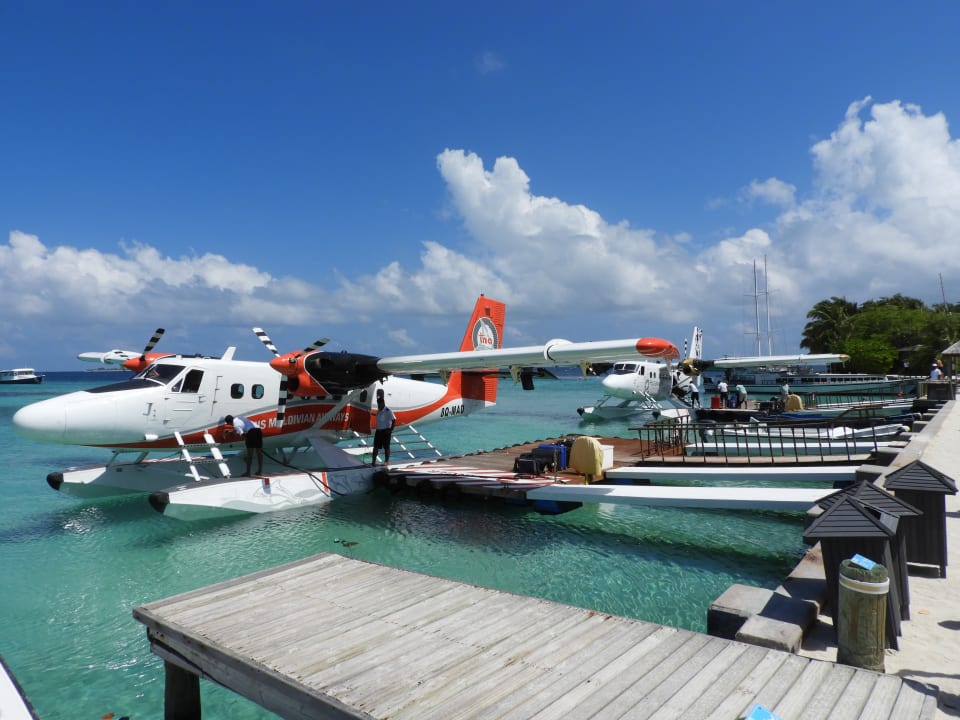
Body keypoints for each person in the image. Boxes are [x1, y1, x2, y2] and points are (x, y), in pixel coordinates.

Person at [371, 391, 396, 466]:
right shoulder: (379, 410)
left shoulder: (388, 410)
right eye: (378, 404)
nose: (378, 405)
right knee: (375, 447)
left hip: (386, 432)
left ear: (383, 403)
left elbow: (394, 420)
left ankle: (386, 461)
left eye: (379, 404)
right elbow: (378, 417)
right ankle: (373, 461)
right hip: (378, 431)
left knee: (386, 447)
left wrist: (390, 430)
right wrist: (371, 413)